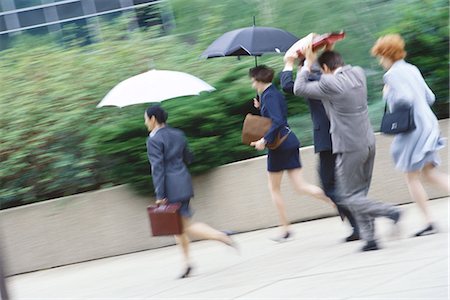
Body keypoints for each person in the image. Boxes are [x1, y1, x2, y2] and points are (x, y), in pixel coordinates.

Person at [293, 48, 401, 251]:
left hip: (349, 146)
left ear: (324, 68)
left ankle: (390, 212)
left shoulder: (328, 83)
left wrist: (307, 63)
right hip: (368, 142)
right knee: (359, 194)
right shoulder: (357, 73)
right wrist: (321, 54)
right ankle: (370, 239)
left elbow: (299, 88)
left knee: (348, 196)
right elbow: (333, 70)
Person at [371, 34, 450, 237]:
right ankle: (429, 221)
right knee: (430, 174)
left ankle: (430, 221)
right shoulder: (412, 68)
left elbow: (403, 100)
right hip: (429, 124)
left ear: (386, 54)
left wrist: (387, 93)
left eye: (380, 56)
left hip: (414, 129)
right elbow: (430, 97)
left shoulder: (392, 75)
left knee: (411, 177)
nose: (380, 61)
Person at [145, 105, 236, 278]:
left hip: (170, 187)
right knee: (177, 227)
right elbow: (189, 158)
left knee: (186, 225)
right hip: (183, 181)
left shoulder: (153, 140)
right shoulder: (178, 134)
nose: (145, 123)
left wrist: (160, 194)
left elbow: (157, 169)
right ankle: (187, 263)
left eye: (146, 119)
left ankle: (221, 236)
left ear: (153, 119)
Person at [248, 65, 335, 242]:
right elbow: (274, 117)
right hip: (288, 142)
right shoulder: (270, 94)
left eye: (252, 79)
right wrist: (260, 106)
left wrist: (264, 140)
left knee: (274, 188)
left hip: (278, 145)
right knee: (300, 186)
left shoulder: (270, 96)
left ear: (257, 80)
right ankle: (337, 203)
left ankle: (285, 228)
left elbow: (277, 121)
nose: (251, 82)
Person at [281, 54, 360, 242]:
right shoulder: (330, 77)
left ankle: (359, 222)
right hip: (341, 135)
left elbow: (288, 86)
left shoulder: (313, 79)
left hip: (328, 138)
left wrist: (289, 64)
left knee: (328, 185)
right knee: (338, 184)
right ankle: (357, 223)